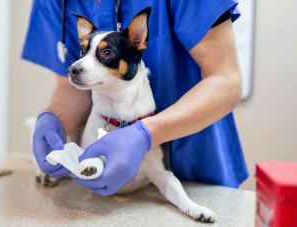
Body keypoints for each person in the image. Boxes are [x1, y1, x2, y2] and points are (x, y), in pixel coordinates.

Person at [22, 0, 248, 196]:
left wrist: (145, 135)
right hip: (113, 197)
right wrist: (52, 121)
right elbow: (73, 87)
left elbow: (226, 81)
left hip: (198, 173)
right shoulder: (54, 2)